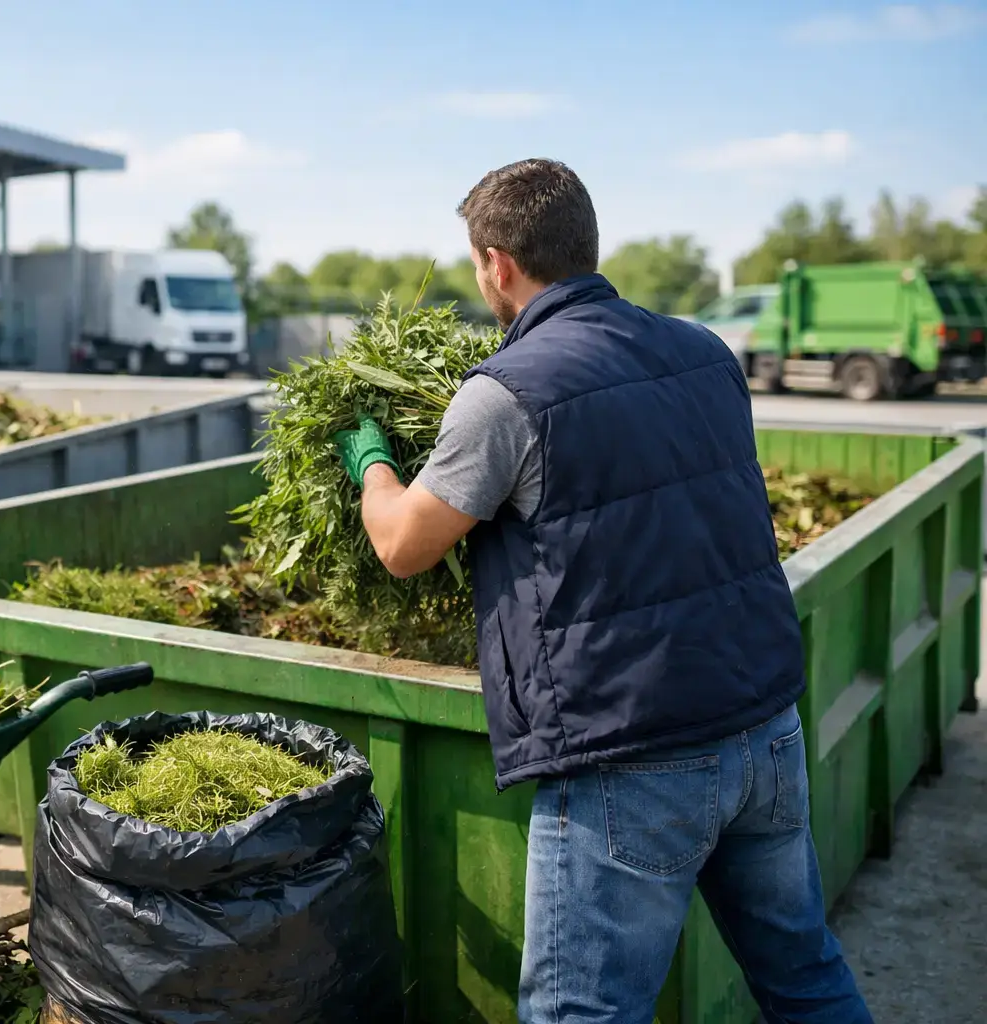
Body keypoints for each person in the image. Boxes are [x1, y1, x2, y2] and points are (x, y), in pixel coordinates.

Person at [332, 159, 872, 1024]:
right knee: (804, 975)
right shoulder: (705, 351)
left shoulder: (505, 392)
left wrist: (371, 464)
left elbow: (403, 545)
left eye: (477, 263)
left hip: (633, 759)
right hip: (763, 728)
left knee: (582, 1015)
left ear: (497, 263)